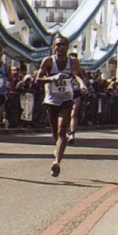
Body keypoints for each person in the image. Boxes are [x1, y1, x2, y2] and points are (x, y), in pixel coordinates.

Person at [35, 34, 88, 177]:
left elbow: (76, 75)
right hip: (51, 100)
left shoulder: (73, 62)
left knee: (61, 129)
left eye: (63, 45)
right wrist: (52, 78)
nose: (61, 47)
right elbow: (37, 80)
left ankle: (57, 162)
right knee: (54, 133)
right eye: (58, 45)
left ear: (67, 47)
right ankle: (58, 149)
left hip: (66, 99)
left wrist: (82, 84)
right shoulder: (48, 61)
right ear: (53, 47)